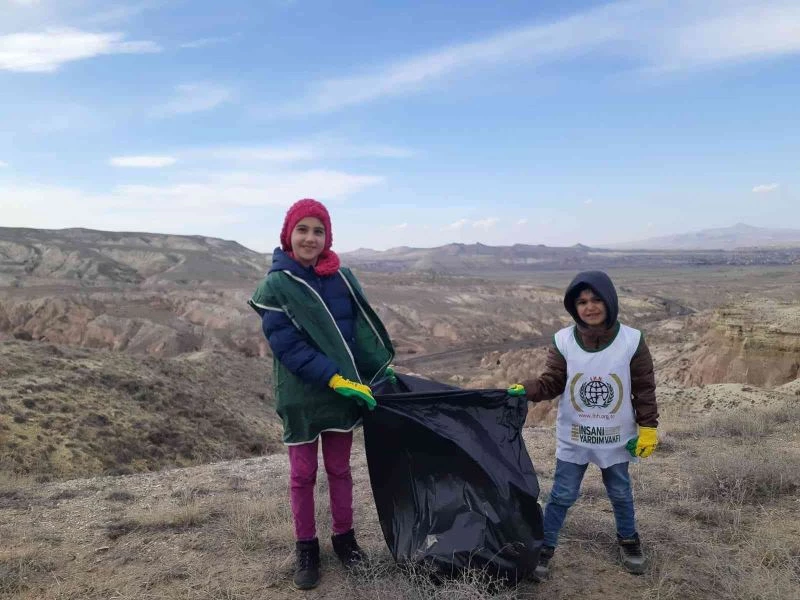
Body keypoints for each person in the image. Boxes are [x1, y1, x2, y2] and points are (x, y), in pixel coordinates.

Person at [248, 198, 394, 590]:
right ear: (288, 235)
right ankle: (306, 546)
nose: (310, 238)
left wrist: (379, 367)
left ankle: (345, 539)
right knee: (302, 474)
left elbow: (357, 334)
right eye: (303, 229)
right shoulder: (276, 285)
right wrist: (333, 378)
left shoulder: (340, 279)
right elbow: (288, 348)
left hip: (341, 393)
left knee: (340, 469)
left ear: (327, 236)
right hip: (301, 393)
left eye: (318, 230)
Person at [510, 270, 658, 580]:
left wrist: (648, 427)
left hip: (615, 436)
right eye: (581, 301)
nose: (589, 307)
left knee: (619, 492)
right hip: (575, 435)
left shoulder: (631, 341)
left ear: (610, 301)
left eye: (596, 299)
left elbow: (643, 389)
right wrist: (527, 389)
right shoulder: (563, 340)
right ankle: (545, 547)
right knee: (562, 494)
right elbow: (553, 382)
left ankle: (629, 540)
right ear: (573, 306)